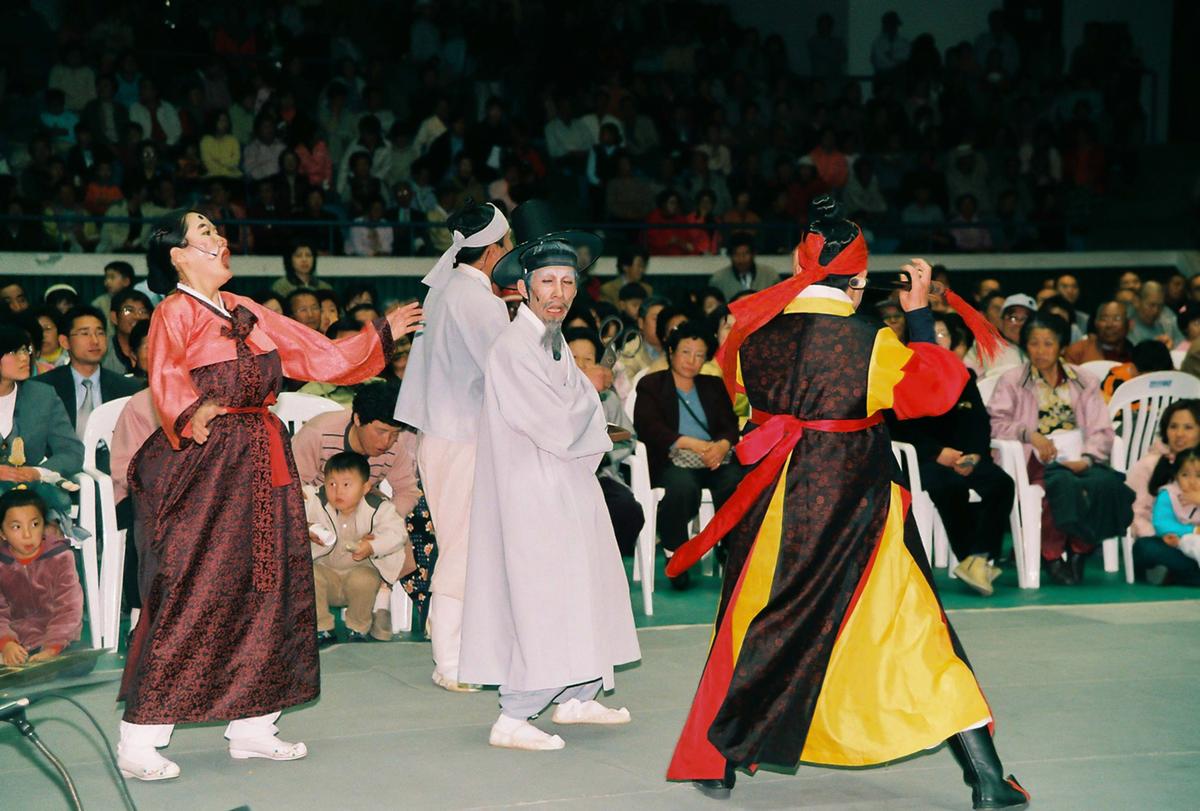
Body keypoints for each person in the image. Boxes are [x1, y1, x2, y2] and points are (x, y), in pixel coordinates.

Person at [664, 197, 1026, 809]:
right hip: (854, 504)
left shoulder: (755, 334)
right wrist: (917, 317)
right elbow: (934, 392)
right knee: (916, 631)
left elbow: (747, 397)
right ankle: (988, 780)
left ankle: (719, 762)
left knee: (756, 622)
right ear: (858, 281)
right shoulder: (868, 340)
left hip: (774, 503)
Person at [115, 211, 422, 782]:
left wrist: (379, 334)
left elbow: (319, 355)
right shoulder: (173, 311)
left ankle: (255, 724)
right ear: (177, 254)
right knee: (195, 586)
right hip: (205, 465)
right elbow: (166, 377)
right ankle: (142, 735)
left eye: (216, 230)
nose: (218, 238)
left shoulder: (247, 310)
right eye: (203, 232)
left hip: (262, 456)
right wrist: (194, 410)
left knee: (272, 582)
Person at [460, 234, 640, 751]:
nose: (557, 292)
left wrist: (589, 394)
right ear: (523, 287)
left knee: (584, 585)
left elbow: (578, 406)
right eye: (546, 282)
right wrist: (593, 395)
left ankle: (577, 694)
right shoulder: (514, 347)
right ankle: (515, 714)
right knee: (544, 596)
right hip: (532, 491)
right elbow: (558, 421)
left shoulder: (553, 339)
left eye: (566, 282)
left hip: (564, 484)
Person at [394, 201, 513, 693]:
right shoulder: (476, 300)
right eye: (507, 246)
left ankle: (461, 646)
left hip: (444, 437)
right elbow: (511, 372)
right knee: (465, 547)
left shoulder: (449, 290)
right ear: (491, 253)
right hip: (462, 438)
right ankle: (451, 659)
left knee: (464, 543)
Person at [988, 313, 1133, 586]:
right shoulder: (1012, 380)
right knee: (1058, 484)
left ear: (1062, 345)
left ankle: (1081, 550)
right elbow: (996, 423)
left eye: (1048, 343)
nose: (1040, 351)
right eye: (1034, 343)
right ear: (1025, 346)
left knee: (1106, 484)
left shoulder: (1083, 379)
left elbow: (1101, 428)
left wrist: (1088, 459)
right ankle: (1052, 555)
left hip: (1081, 456)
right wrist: (1029, 434)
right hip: (1034, 457)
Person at [889, 313, 1015, 595]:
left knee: (1001, 484)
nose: (936, 340)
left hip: (965, 456)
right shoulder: (899, 376)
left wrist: (973, 455)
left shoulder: (963, 375)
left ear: (954, 341)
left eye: (943, 334)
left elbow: (978, 421)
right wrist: (937, 453)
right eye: (930, 334)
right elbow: (896, 428)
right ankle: (972, 559)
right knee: (950, 487)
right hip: (923, 459)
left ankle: (978, 558)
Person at [633, 321, 741, 588]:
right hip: (674, 458)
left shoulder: (713, 385)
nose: (692, 360)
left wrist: (721, 447)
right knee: (681, 488)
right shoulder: (652, 385)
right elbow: (648, 428)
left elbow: (730, 425)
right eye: (685, 352)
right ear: (671, 351)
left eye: (699, 355)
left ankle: (730, 549)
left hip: (713, 458)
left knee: (737, 482)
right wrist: (691, 443)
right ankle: (676, 554)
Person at [306, 452, 413, 645]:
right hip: (325, 572)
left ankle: (358, 628)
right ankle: (322, 628)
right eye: (332, 484)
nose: (338, 491)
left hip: (358, 574)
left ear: (365, 488)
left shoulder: (378, 507)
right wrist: (305, 528)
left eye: (346, 485)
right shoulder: (315, 501)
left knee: (364, 579)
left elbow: (397, 533)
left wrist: (372, 546)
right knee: (309, 575)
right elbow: (288, 507)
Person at [0, 323, 84, 522]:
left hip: (32, 500)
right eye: (14, 352)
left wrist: (37, 472)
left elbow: (72, 452)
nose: (24, 358)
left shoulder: (42, 396)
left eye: (25, 350)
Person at [29, 306, 145, 440]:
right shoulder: (43, 388)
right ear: (64, 341)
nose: (95, 341)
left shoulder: (129, 388)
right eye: (85, 333)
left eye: (100, 333)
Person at [0, 489, 83, 666]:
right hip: (15, 642)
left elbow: (69, 607)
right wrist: (6, 643)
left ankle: (42, 666)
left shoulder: (61, 557)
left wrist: (52, 648)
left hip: (54, 638)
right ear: (2, 533)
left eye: (35, 524)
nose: (27, 535)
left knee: (80, 663)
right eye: (16, 527)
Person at [1125, 400, 1200, 586]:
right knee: (1145, 548)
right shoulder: (1149, 464)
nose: (1179, 434)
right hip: (1164, 540)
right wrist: (1163, 536)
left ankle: (1175, 574)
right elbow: (1135, 514)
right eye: (1173, 426)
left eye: (1188, 427)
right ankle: (1184, 572)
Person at [1149, 449, 1200, 572]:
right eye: (1185, 475)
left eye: (1199, 475)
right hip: (1182, 539)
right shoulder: (1169, 494)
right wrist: (1193, 530)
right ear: (1176, 475)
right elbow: (1161, 524)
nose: (1192, 482)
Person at [965, 293, 1029, 378]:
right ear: (982, 316)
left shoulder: (1020, 344)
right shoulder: (988, 343)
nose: (1002, 314)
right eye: (997, 309)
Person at [706, 234, 781, 300]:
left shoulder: (770, 275)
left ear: (753, 254)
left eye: (745, 254)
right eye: (736, 254)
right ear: (730, 256)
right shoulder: (718, 279)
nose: (741, 259)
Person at [101, 289, 153, 375]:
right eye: (129, 310)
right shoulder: (104, 349)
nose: (137, 316)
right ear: (114, 317)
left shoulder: (160, 347)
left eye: (143, 311)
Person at [1064, 300, 1134, 364]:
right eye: (1104, 319)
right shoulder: (1078, 351)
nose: (1109, 325)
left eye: (1116, 319)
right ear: (1095, 323)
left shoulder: (1134, 353)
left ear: (1128, 324)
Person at [1128, 281, 1184, 348]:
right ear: (1136, 302)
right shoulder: (1125, 324)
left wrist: (1173, 347)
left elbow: (1183, 345)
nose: (1156, 311)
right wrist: (1153, 348)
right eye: (1151, 305)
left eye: (1160, 306)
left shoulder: (1168, 318)